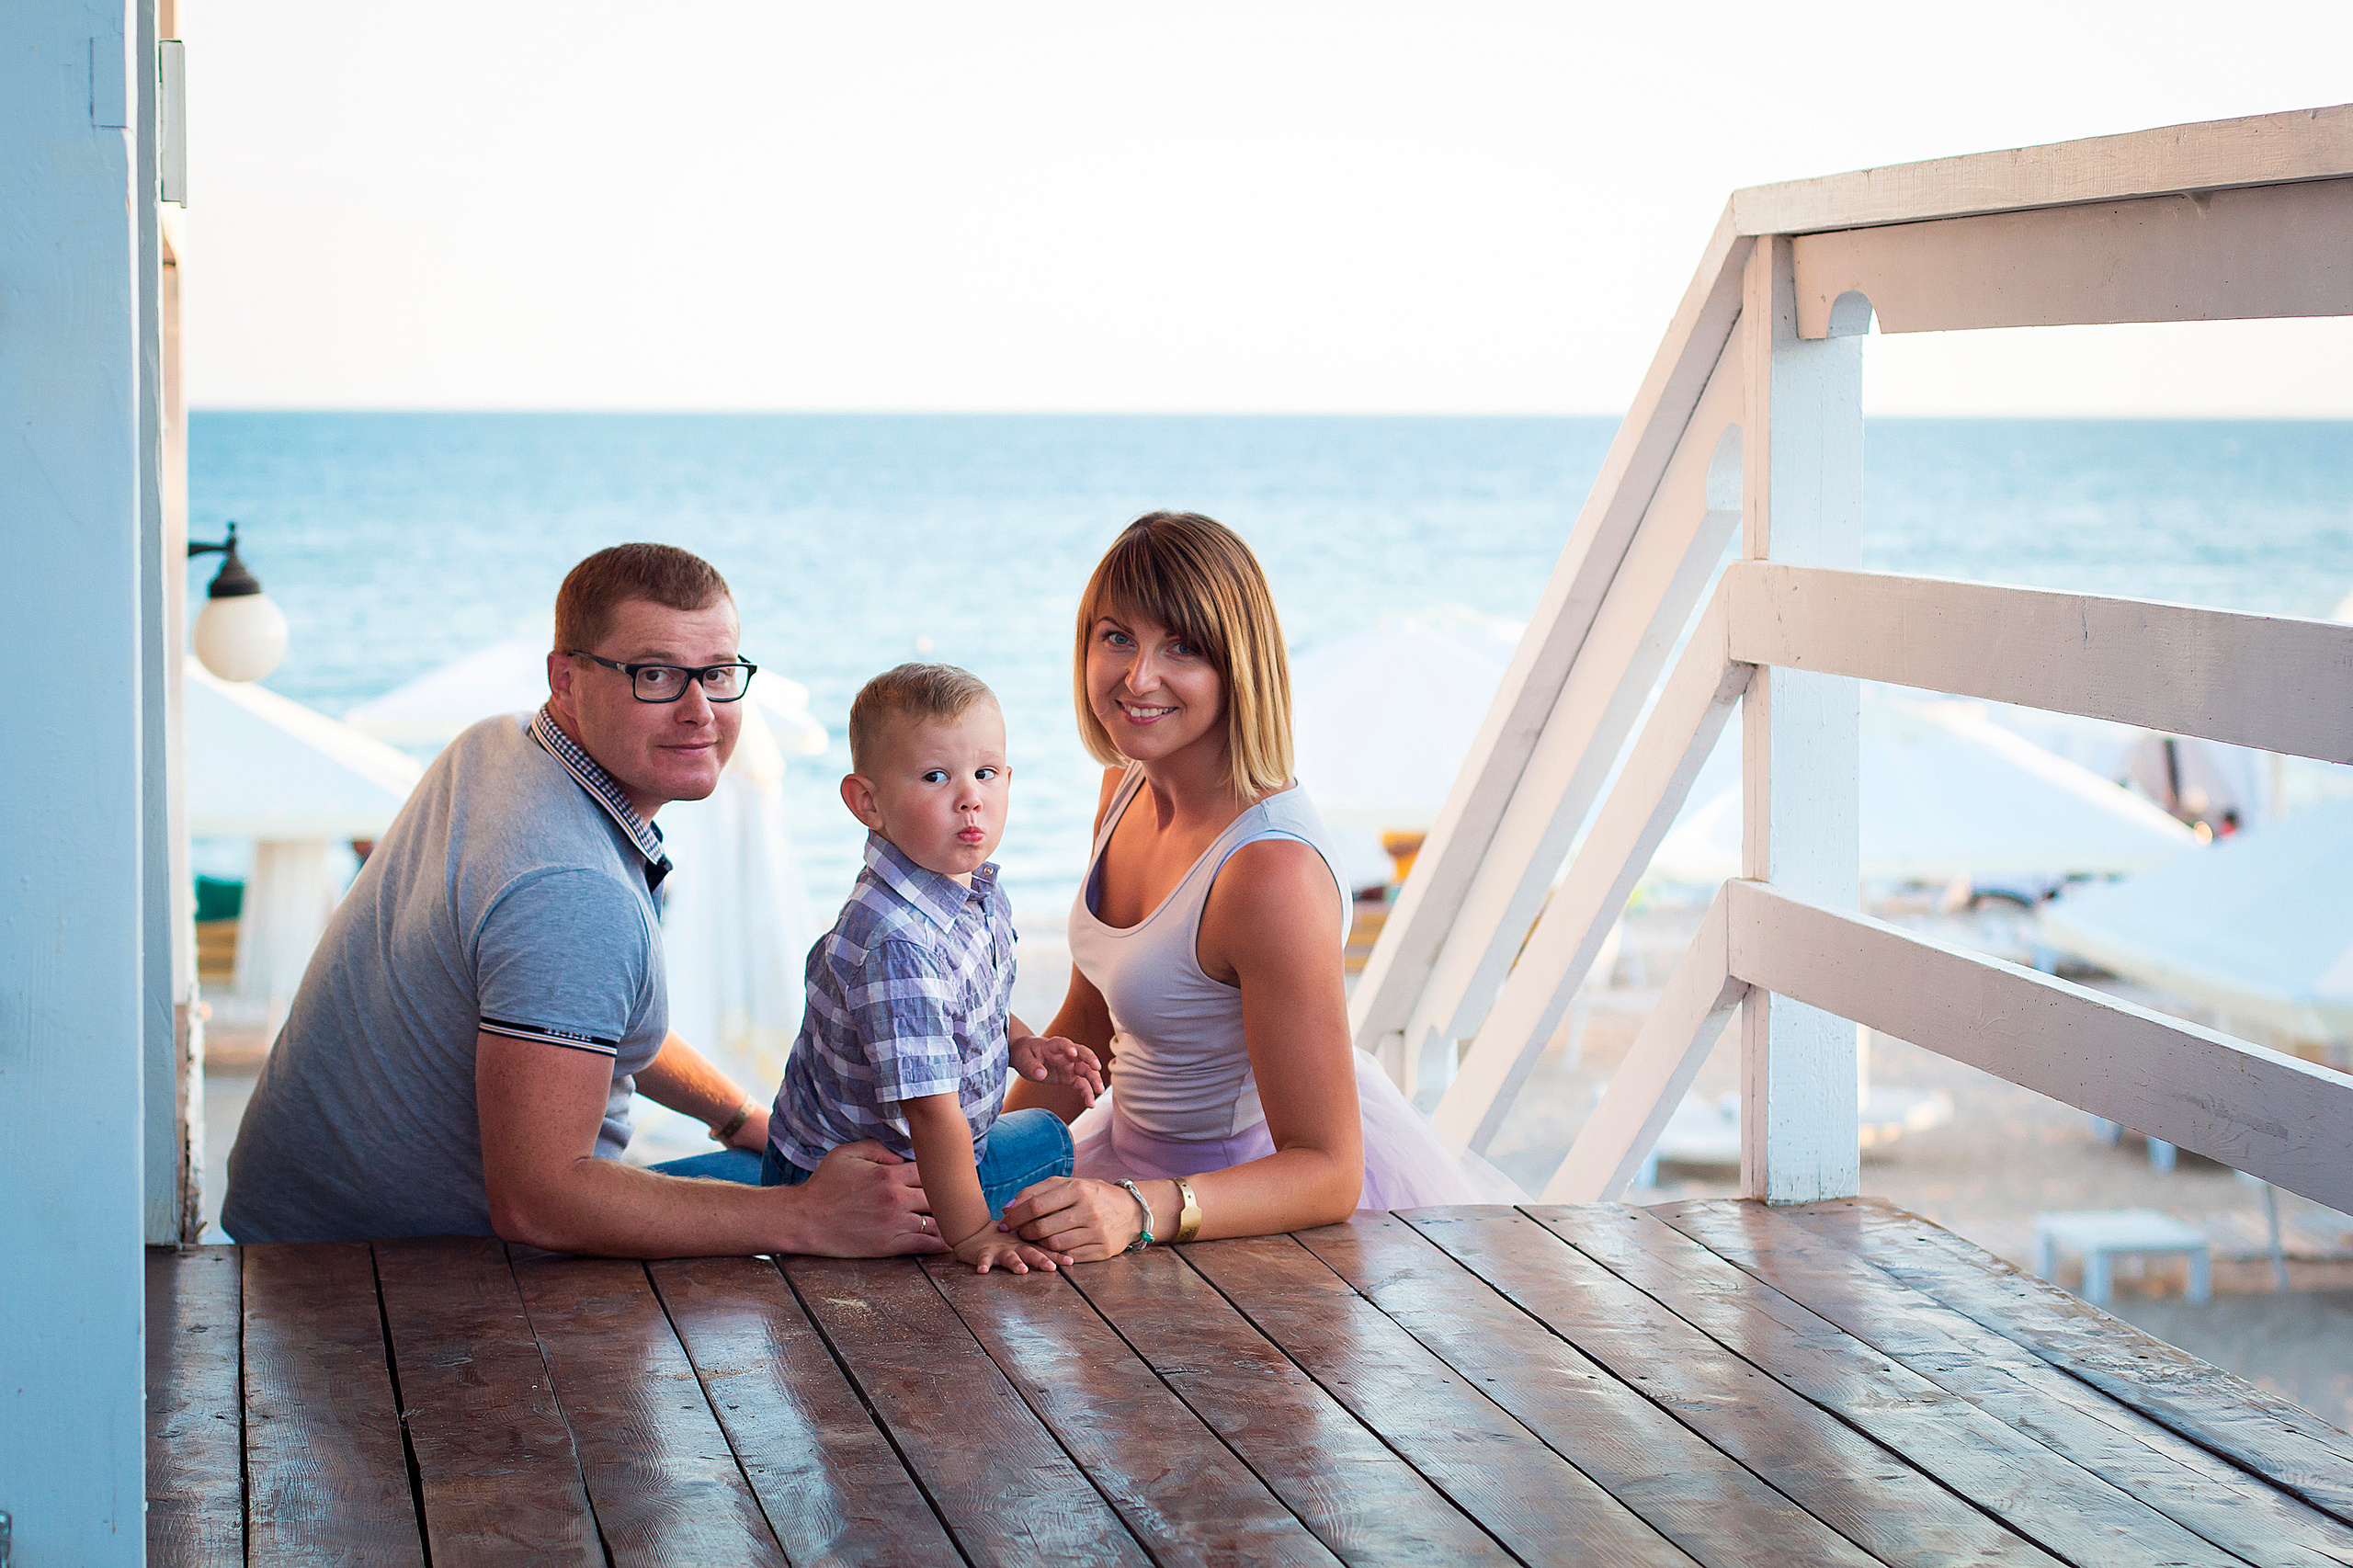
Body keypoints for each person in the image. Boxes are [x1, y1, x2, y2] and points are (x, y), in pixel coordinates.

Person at [222, 543, 944, 1258]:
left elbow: (590, 1010)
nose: (701, 713)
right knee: (1000, 1159)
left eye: (719, 674)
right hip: (391, 1282)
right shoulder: (571, 888)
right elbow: (539, 1200)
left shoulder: (497, 746)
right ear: (565, 680)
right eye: (655, 675)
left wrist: (742, 1117)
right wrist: (806, 1218)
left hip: (296, 1235)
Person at [998, 512, 1521, 1262]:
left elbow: (1330, 1173)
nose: (1138, 677)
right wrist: (984, 1169)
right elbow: (1086, 1026)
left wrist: (1135, 1211)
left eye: (1181, 647)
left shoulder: (1270, 871)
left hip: (1238, 1222)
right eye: (1117, 637)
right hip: (1123, 1173)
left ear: (1238, 667)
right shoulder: (1123, 786)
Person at [764, 664, 1105, 1273]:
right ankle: (932, 1229)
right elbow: (929, 1111)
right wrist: (974, 1235)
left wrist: (1021, 1043)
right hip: (861, 1179)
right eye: (935, 776)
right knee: (1052, 1144)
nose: (970, 796)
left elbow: (964, 1007)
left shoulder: (972, 888)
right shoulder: (896, 941)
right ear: (867, 802)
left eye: (985, 774)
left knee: (1047, 1134)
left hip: (922, 1142)